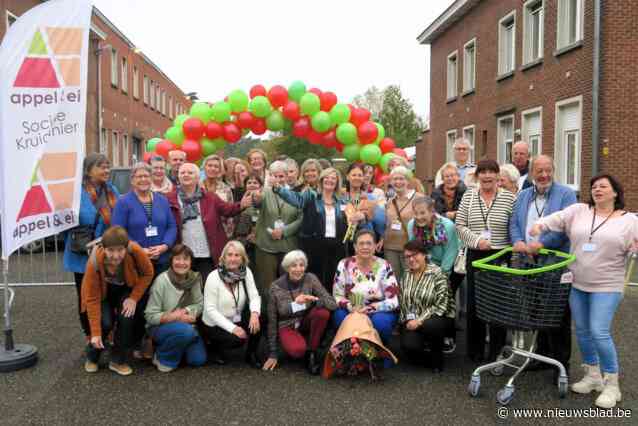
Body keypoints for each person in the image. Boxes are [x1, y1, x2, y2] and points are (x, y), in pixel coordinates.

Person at [530, 174, 638, 409]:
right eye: (594, 187)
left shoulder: (629, 220)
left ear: (615, 192)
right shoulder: (579, 210)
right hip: (577, 282)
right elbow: (555, 219)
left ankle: (612, 384)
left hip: (607, 285)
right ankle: (593, 376)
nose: (597, 190)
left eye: (603, 186)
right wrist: (540, 225)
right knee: (582, 331)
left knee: (599, 331)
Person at [510, 155, 577, 378]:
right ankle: (542, 355)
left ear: (553, 170)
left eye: (548, 170)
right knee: (537, 310)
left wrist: (541, 244)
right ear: (531, 173)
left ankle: (561, 363)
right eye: (539, 170)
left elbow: (565, 228)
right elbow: (514, 223)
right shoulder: (523, 195)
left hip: (554, 262)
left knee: (557, 313)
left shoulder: (566, 194)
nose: (544, 175)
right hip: (527, 262)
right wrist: (518, 242)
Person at [455, 159, 515, 363]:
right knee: (475, 303)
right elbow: (460, 225)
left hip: (500, 256)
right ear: (477, 176)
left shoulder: (509, 198)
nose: (487, 176)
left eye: (492, 172)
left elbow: (513, 228)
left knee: (498, 303)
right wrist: (477, 240)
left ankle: (497, 350)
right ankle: (475, 350)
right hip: (476, 254)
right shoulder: (469, 196)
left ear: (498, 176)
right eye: (483, 172)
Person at [81, 226, 154, 375]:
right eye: (111, 251)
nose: (116, 255)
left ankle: (117, 360)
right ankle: (92, 357)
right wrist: (95, 333)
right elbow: (92, 299)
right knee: (105, 322)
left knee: (127, 317)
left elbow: (148, 273)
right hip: (102, 293)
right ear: (104, 248)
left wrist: (133, 298)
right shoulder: (94, 262)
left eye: (120, 250)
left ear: (126, 247)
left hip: (125, 288)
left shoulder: (135, 250)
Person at [64, 153, 119, 340]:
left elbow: (118, 215)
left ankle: (108, 330)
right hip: (82, 255)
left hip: (107, 253)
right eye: (101, 167)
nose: (106, 170)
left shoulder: (111, 190)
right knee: (86, 295)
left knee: (109, 293)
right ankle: (90, 334)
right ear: (88, 171)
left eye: (107, 166)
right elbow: (65, 222)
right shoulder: (75, 193)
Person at [167, 163, 253, 283]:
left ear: (197, 177)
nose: (186, 175)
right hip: (182, 252)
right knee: (183, 286)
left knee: (207, 284)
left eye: (190, 173)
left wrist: (241, 205)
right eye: (182, 172)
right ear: (178, 177)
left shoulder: (210, 197)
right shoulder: (169, 198)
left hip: (206, 251)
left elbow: (228, 209)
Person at [262, 250, 337, 374]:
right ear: (287, 267)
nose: (298, 269)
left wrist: (315, 301)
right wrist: (273, 353)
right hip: (287, 325)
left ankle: (312, 352)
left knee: (322, 313)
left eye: (301, 265)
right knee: (297, 351)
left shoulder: (310, 278)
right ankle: (299, 345)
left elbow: (332, 303)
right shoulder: (275, 287)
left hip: (304, 320)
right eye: (294, 265)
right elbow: (272, 319)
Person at [273, 167, 347, 291]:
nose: (330, 180)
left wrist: (360, 213)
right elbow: (297, 199)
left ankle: (330, 305)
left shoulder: (342, 201)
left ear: (337, 182)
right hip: (314, 245)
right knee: (314, 278)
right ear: (321, 180)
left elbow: (354, 211)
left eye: (333, 178)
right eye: (327, 177)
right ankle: (314, 306)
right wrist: (279, 189)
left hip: (336, 247)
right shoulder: (311, 195)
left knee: (333, 278)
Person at [144, 244, 207, 372]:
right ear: (171, 261)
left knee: (197, 360)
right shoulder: (162, 281)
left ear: (190, 262)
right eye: (177, 259)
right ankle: (163, 357)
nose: (181, 263)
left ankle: (177, 344)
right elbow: (150, 315)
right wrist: (176, 317)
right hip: (160, 326)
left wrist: (185, 311)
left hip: (186, 324)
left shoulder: (193, 278)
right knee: (187, 332)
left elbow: (200, 304)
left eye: (185, 259)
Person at [200, 241, 263, 368]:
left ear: (242, 258)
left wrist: (255, 314)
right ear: (223, 258)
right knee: (237, 340)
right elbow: (210, 310)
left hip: (236, 317)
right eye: (229, 255)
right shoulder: (213, 277)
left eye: (237, 255)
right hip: (215, 323)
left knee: (262, 317)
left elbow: (254, 295)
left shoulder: (246, 272)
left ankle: (251, 353)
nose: (233, 259)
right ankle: (215, 347)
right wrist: (233, 328)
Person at [333, 230, 399, 346]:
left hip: (378, 310)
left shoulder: (384, 266)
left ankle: (381, 352)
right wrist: (351, 307)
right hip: (351, 308)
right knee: (339, 316)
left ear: (375, 246)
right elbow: (337, 295)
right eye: (361, 243)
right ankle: (349, 353)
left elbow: (393, 301)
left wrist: (369, 309)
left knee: (380, 323)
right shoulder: (344, 264)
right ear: (355, 246)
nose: (365, 247)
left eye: (369, 243)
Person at [112, 162, 177, 277]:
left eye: (146, 176)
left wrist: (164, 246)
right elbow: (118, 232)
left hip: (161, 259)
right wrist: (139, 250)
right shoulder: (123, 202)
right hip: (135, 260)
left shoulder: (162, 200)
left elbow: (171, 226)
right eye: (139, 176)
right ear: (132, 180)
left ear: (151, 178)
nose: (143, 179)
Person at [399, 240, 455, 372]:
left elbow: (442, 304)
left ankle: (437, 357)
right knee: (409, 347)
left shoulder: (437, 273)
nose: (411, 259)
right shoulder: (406, 275)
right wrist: (406, 321)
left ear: (424, 255)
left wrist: (419, 320)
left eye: (415, 255)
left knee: (432, 326)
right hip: (414, 319)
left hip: (438, 317)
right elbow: (403, 301)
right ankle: (424, 348)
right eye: (407, 256)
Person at [251, 161, 302, 307]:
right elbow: (257, 203)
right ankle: (269, 320)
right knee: (267, 288)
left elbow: (300, 219)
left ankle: (289, 320)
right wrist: (256, 198)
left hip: (288, 247)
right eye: (275, 176)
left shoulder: (296, 194)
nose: (278, 179)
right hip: (266, 247)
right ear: (269, 176)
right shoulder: (265, 192)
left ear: (287, 176)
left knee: (290, 286)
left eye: (281, 176)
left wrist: (284, 231)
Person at [378, 166, 423, 281]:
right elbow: (388, 223)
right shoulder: (390, 201)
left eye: (401, 179)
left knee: (411, 280)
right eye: (395, 179)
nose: (398, 182)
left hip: (411, 248)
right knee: (394, 281)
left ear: (408, 181)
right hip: (390, 247)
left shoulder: (418, 198)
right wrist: (382, 239)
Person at [341, 163, 375, 254]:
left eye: (360, 175)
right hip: (342, 241)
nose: (357, 178)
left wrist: (363, 216)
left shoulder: (369, 198)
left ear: (363, 178)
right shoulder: (340, 196)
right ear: (347, 177)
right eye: (354, 175)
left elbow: (371, 217)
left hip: (363, 242)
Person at [233, 174, 264, 267]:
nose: (252, 185)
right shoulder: (239, 200)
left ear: (261, 186)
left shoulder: (265, 199)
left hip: (261, 243)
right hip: (243, 242)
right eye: (249, 183)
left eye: (255, 182)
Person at [201, 154, 235, 237]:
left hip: (221, 231)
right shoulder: (196, 187)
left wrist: (228, 233)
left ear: (220, 170)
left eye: (216, 166)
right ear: (204, 167)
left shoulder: (226, 189)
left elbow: (230, 210)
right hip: (201, 231)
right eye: (210, 165)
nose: (213, 168)